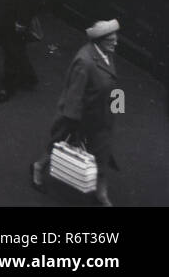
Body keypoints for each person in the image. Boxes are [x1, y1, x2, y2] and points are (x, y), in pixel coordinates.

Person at [31, 20, 120, 206]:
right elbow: (74, 96)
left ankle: (101, 193)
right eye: (111, 40)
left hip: (101, 116)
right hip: (79, 118)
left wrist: (117, 108)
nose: (116, 42)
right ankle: (38, 167)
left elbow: (112, 83)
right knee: (59, 145)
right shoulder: (85, 61)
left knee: (102, 153)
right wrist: (75, 126)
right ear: (100, 40)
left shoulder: (106, 54)